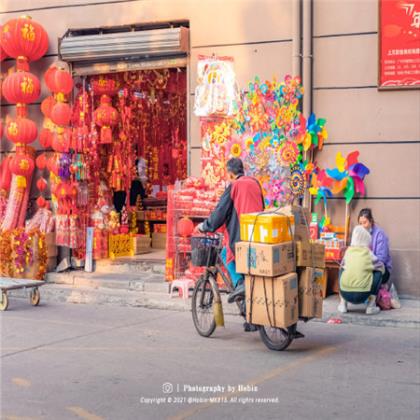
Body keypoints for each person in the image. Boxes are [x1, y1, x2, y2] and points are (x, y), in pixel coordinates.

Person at [196, 158, 264, 318]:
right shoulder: (255, 183)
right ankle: (251, 316)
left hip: (242, 236)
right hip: (259, 234)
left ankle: (240, 285)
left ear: (231, 174)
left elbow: (220, 212)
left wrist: (205, 226)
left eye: (227, 175)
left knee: (226, 255)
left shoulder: (234, 186)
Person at [338, 225, 384, 315]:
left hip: (345, 293)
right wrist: (369, 269)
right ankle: (371, 306)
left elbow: (342, 266)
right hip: (363, 295)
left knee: (342, 269)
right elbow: (381, 266)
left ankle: (343, 304)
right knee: (378, 272)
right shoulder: (368, 253)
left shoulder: (348, 251)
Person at [358, 208, 392, 286]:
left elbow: (382, 259)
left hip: (381, 268)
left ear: (371, 221)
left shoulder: (380, 234)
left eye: (365, 222)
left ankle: (373, 294)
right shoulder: (360, 234)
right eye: (360, 223)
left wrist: (366, 264)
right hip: (366, 267)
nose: (362, 226)